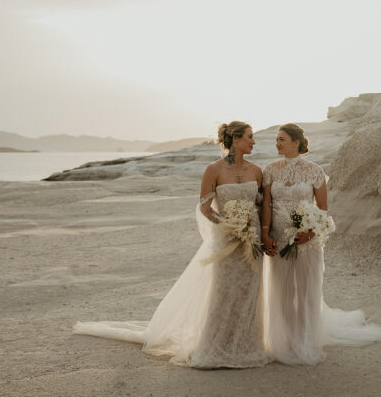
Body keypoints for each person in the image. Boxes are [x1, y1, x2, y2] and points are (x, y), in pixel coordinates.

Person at [73, 121, 269, 368]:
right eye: (250, 137)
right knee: (223, 292)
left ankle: (247, 345)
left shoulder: (256, 170)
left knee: (249, 293)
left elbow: (261, 205)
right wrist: (230, 226)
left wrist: (254, 229)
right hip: (226, 240)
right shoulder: (213, 169)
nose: (254, 141)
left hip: (252, 241)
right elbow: (205, 207)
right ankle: (217, 347)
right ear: (236, 139)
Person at [261, 123, 381, 365]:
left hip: (307, 241)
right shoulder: (269, 171)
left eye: (281, 139)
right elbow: (266, 205)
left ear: (296, 142)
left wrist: (310, 232)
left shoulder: (314, 171)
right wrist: (267, 235)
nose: (277, 143)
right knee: (282, 291)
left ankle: (305, 341)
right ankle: (285, 342)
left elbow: (322, 209)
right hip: (279, 238)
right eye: (276, 139)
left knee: (307, 290)